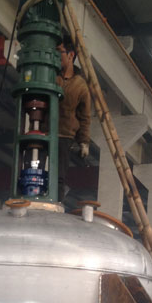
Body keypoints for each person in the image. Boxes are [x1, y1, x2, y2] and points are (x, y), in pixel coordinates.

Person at [56, 34, 91, 201]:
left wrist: (83, 142)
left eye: (59, 52)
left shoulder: (80, 85)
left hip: (64, 136)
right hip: (44, 132)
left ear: (70, 55)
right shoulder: (50, 76)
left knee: (59, 176)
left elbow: (84, 116)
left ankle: (56, 204)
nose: (55, 56)